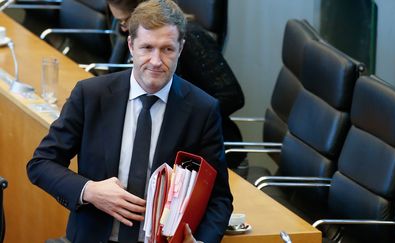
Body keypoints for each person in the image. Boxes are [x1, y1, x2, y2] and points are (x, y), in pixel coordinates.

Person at [27, 0, 233, 243]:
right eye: (147, 47)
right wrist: (89, 191)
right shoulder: (91, 95)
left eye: (167, 49)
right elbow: (41, 164)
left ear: (181, 48)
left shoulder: (202, 110)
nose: (156, 61)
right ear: (131, 45)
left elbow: (219, 199)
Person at [107, 0, 247, 168]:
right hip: (161, 145)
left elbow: (232, 96)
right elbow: (113, 72)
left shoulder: (191, 38)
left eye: (125, 21)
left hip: (206, 150)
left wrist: (178, 118)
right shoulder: (136, 38)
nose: (122, 28)